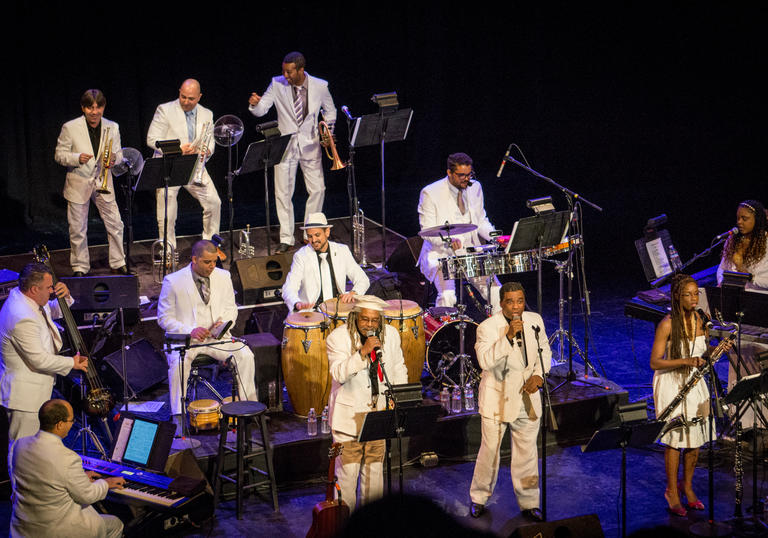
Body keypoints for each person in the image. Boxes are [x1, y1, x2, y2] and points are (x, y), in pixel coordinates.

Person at [469, 281, 551, 521]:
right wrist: (508, 336)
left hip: (528, 397)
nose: (516, 307)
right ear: (501, 303)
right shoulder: (486, 328)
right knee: (490, 452)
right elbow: (485, 361)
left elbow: (544, 350)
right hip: (498, 399)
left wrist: (539, 375)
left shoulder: (535, 320)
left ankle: (530, 503)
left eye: (520, 301)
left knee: (527, 453)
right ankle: (479, 497)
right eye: (510, 302)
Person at [248, 51, 337, 253]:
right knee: (283, 192)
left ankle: (310, 233)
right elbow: (262, 109)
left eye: (289, 72)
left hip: (311, 144)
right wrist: (255, 104)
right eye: (284, 71)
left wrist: (327, 131)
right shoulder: (277, 83)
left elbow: (330, 110)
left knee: (318, 189)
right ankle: (286, 237)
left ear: (300, 69)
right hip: (285, 145)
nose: (285, 76)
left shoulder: (320, 86)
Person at [157, 240, 257, 420]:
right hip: (187, 341)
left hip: (217, 339)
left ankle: (247, 407)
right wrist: (190, 330)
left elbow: (230, 308)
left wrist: (224, 325)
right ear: (194, 259)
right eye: (207, 262)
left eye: (214, 261)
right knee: (179, 365)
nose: (212, 266)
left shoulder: (223, 276)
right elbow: (164, 318)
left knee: (245, 355)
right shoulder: (173, 281)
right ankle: (178, 415)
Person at [326, 295, 408, 511]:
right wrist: (363, 352)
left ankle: (371, 524)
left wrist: (398, 398)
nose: (370, 325)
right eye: (365, 320)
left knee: (374, 477)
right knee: (347, 477)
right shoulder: (338, 338)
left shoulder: (390, 334)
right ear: (354, 317)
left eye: (374, 321)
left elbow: (398, 367)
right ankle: (346, 525)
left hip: (377, 414)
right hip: (349, 419)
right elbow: (338, 373)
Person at [650, 273, 722, 517]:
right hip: (672, 384)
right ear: (677, 297)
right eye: (688, 295)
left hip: (695, 383)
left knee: (695, 438)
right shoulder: (668, 324)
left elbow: (702, 352)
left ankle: (687, 486)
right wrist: (685, 361)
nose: (693, 299)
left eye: (696, 294)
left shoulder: (702, 320)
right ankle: (672, 490)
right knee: (676, 440)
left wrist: (717, 349)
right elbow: (655, 362)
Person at [0, 263, 89, 444]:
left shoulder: (28, 298)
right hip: (24, 398)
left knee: (34, 449)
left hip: (36, 390)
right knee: (21, 450)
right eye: (49, 287)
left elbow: (50, 312)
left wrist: (66, 297)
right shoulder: (20, 316)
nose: (52, 291)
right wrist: (72, 363)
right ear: (34, 289)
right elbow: (38, 360)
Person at [10, 399, 125, 538]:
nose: (72, 424)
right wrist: (106, 483)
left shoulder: (20, 445)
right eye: (71, 421)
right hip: (56, 530)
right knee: (115, 524)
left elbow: (46, 477)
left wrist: (81, 478)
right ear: (59, 425)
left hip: (25, 527)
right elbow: (88, 496)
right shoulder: (68, 458)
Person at [54, 89, 128, 277]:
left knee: (116, 224)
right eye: (90, 108)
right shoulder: (70, 127)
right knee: (78, 228)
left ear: (103, 107)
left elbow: (119, 153)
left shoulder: (113, 126)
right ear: (83, 108)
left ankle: (118, 262)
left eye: (98, 107)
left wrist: (114, 159)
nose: (94, 112)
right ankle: (80, 266)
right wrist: (77, 157)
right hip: (79, 182)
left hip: (103, 181)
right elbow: (59, 155)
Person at [417, 152, 500, 313]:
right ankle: (443, 333)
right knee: (448, 296)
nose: (466, 179)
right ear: (449, 173)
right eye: (461, 175)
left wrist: (496, 237)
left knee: (496, 292)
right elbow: (427, 232)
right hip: (441, 254)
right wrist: (448, 241)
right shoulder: (430, 192)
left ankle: (501, 333)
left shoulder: (475, 187)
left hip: (470, 252)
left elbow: (481, 221)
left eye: (469, 174)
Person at [147, 78, 221, 253]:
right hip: (170, 163)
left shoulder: (207, 113)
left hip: (194, 164)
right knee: (167, 208)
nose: (186, 102)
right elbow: (152, 139)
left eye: (191, 99)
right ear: (179, 92)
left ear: (199, 97)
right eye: (183, 97)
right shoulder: (164, 110)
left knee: (213, 201)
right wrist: (177, 148)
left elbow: (210, 139)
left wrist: (207, 151)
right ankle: (167, 249)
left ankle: (210, 245)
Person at [281, 212, 370, 312]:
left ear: (327, 232)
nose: (313, 240)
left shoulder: (342, 251)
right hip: (312, 312)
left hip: (339, 309)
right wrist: (297, 303)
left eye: (317, 235)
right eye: (310, 236)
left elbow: (363, 279)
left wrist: (354, 292)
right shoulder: (301, 256)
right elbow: (288, 288)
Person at [716, 199, 768, 292]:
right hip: (732, 296)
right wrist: (722, 282)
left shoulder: (766, 242)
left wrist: (750, 277)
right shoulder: (732, 240)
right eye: (738, 218)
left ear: (757, 220)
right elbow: (722, 268)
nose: (739, 222)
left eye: (744, 219)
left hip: (758, 299)